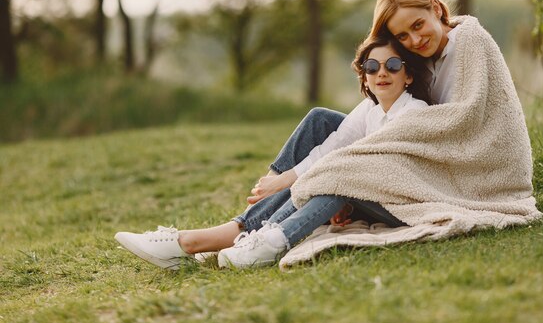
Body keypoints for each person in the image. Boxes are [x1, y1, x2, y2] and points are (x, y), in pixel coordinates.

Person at [114, 35, 431, 270]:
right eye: (372, 66)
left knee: (335, 173)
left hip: (398, 203)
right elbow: (331, 146)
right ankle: (238, 236)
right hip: (359, 188)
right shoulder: (368, 110)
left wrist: (302, 186)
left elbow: (364, 164)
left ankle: (252, 240)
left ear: (409, 75)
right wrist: (285, 179)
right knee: (326, 147)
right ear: (364, 76)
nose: (382, 73)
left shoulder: (413, 112)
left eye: (392, 65)